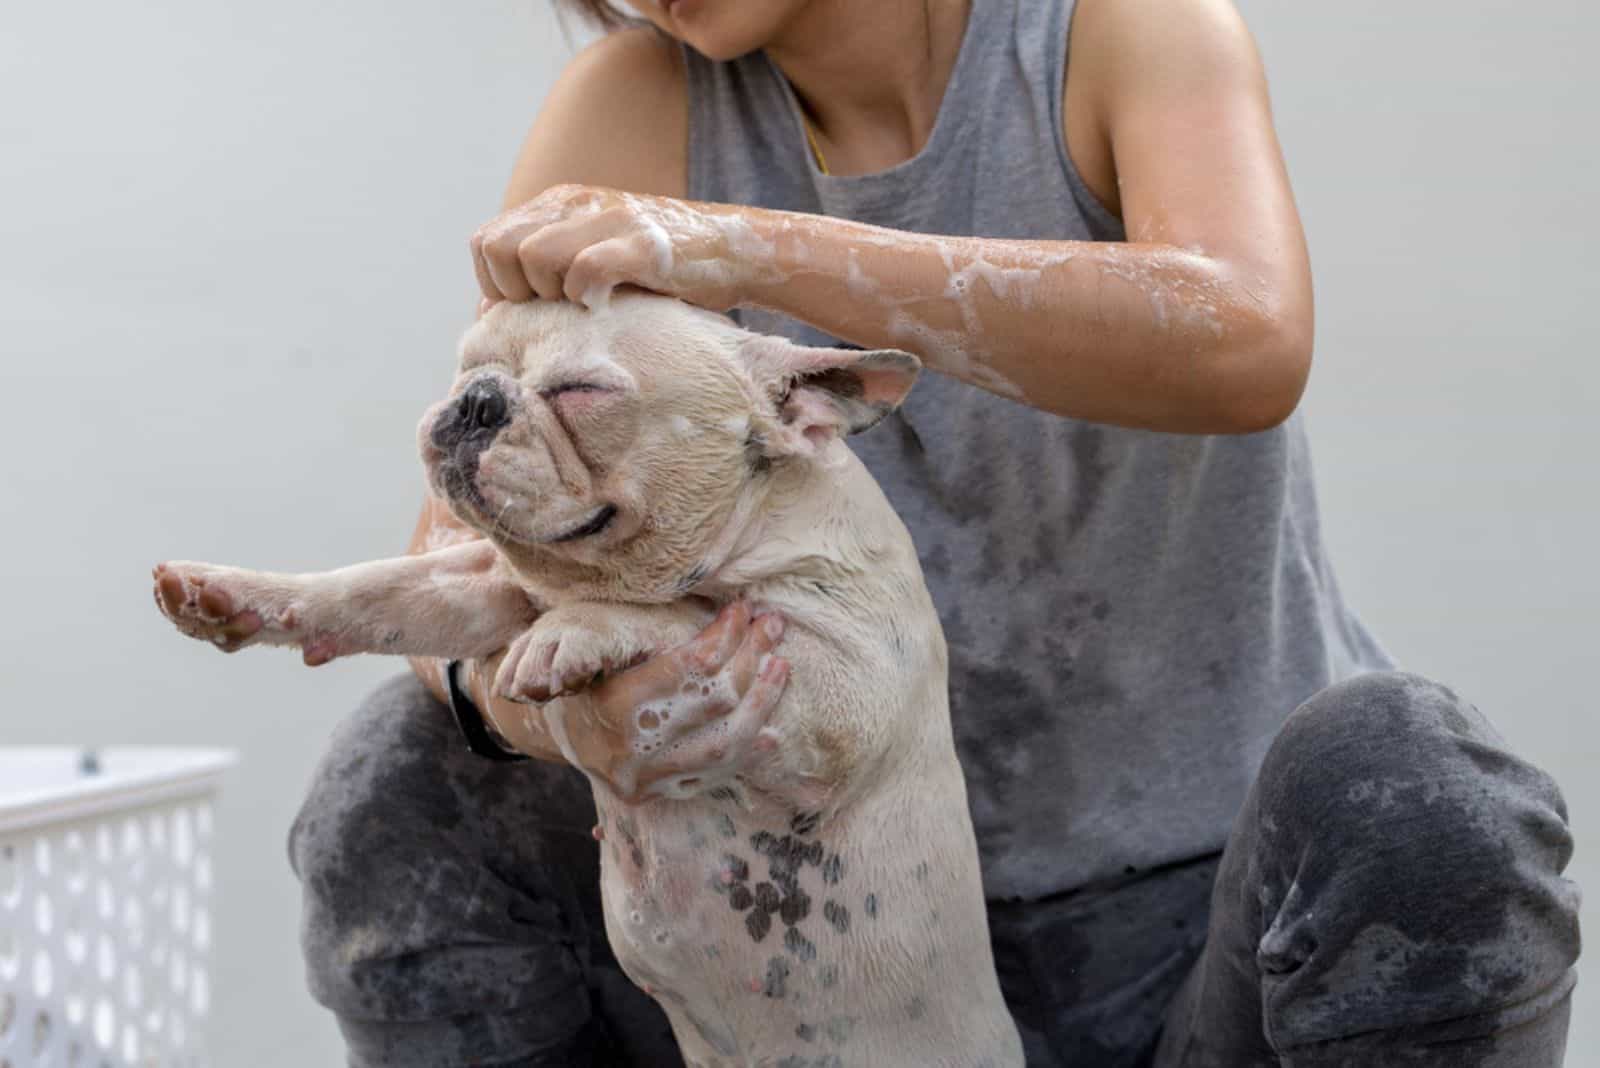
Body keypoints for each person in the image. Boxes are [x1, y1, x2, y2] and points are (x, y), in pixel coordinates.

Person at [288, 0, 1581, 1064]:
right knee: (402, 774)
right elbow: (464, 556)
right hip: (806, 937)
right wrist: (546, 718)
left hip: (1209, 931)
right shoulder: (634, 99)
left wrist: (738, 244)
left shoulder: (1126, 31)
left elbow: (1242, 343)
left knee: (1416, 781)